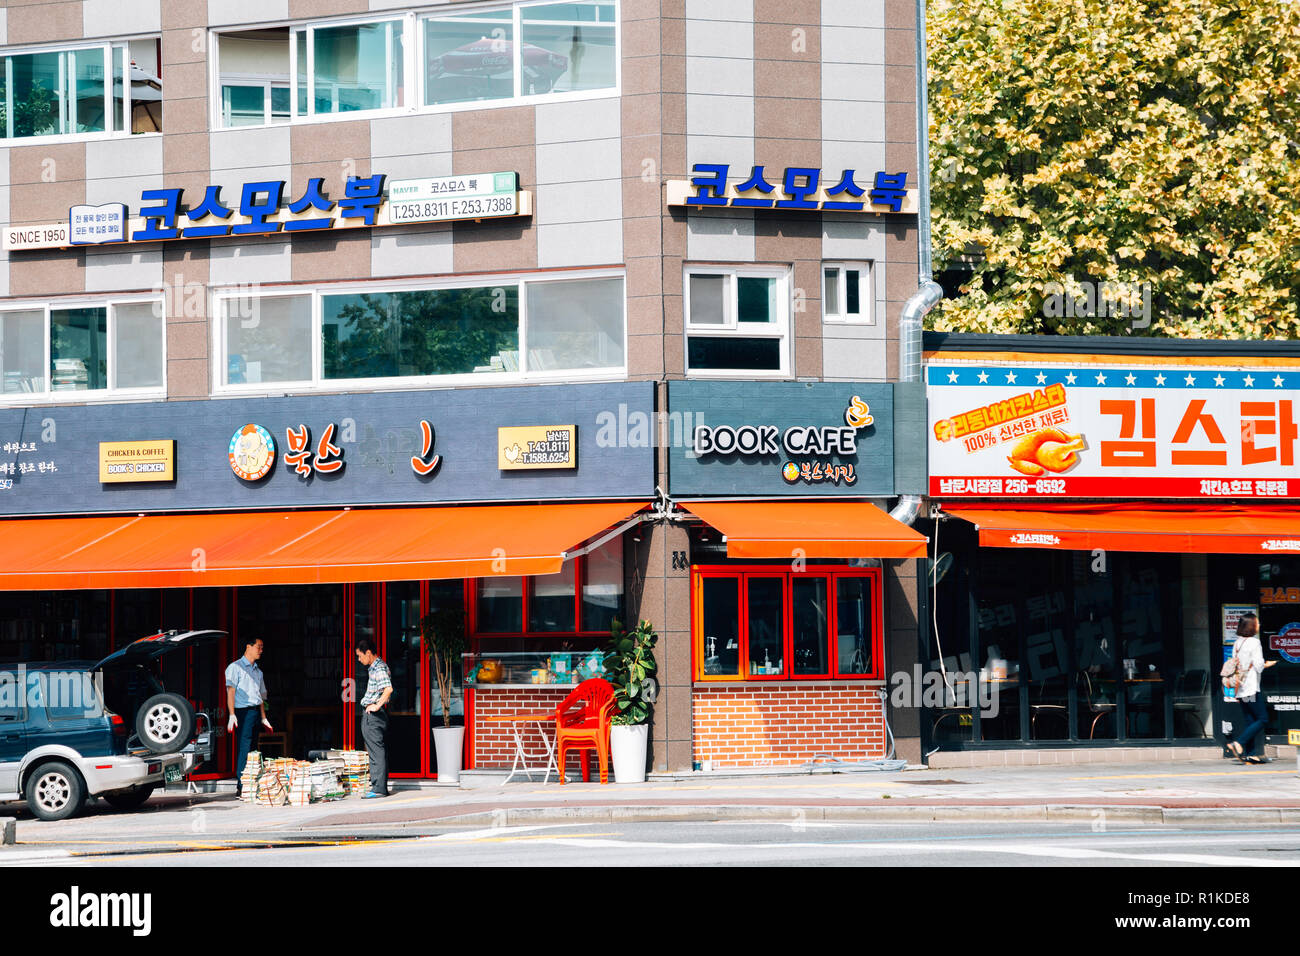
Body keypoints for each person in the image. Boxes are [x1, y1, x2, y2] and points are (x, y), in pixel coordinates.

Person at [1226, 612, 1276, 765]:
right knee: (1262, 718)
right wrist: (1267, 664)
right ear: (1251, 625)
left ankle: (1251, 755)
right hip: (1251, 687)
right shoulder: (1254, 643)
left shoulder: (1237, 643)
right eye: (1257, 622)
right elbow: (1259, 665)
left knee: (1250, 720)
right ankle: (1239, 743)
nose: (1259, 625)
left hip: (1240, 687)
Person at [225, 637, 273, 794]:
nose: (261, 651)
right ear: (248, 647)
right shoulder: (235, 667)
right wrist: (232, 714)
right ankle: (241, 784)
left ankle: (252, 782)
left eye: (262, 648)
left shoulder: (258, 671)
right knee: (244, 748)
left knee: (253, 749)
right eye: (259, 647)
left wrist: (264, 717)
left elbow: (261, 696)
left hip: (255, 712)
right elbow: (230, 691)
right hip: (242, 711)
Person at [355, 638, 393, 798]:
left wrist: (376, 705)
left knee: (376, 752)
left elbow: (388, 689)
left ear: (368, 653)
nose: (359, 659)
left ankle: (378, 789)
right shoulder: (375, 667)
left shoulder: (379, 669)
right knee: (375, 751)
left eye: (360, 655)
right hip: (374, 715)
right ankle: (378, 786)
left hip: (374, 715)